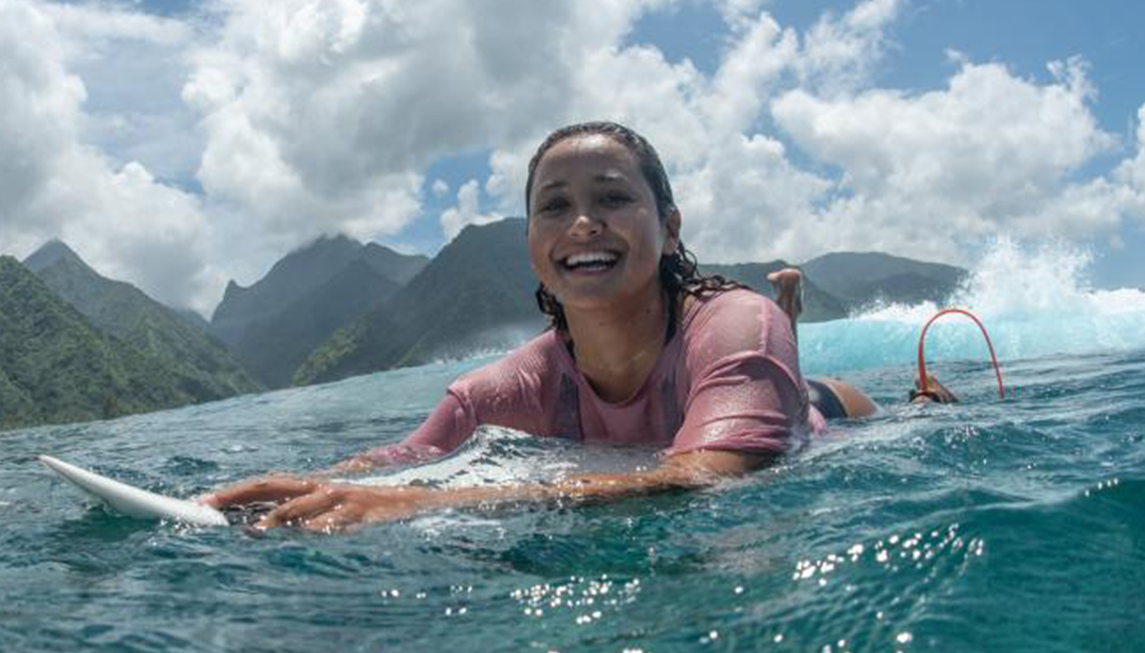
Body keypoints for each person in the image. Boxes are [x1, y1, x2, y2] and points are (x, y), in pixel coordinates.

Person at [203, 121, 886, 532]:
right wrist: (299, 485)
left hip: (827, 418)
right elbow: (400, 460)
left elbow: (710, 475)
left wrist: (417, 505)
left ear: (670, 228)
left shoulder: (736, 321)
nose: (583, 222)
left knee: (827, 398)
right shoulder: (496, 390)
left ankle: (836, 366)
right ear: (532, 241)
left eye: (613, 197)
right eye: (554, 207)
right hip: (734, 395)